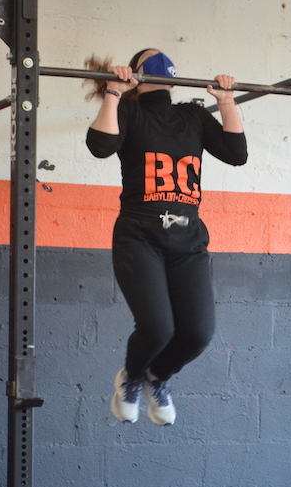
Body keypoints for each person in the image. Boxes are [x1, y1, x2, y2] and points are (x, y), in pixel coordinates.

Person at [85, 48, 247, 426]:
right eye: (150, 60)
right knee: (158, 328)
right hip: (140, 235)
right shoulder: (130, 112)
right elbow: (100, 146)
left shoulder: (192, 115)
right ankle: (130, 377)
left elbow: (236, 153)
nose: (160, 61)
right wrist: (113, 92)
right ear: (136, 75)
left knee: (198, 333)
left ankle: (156, 377)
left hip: (187, 238)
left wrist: (227, 101)